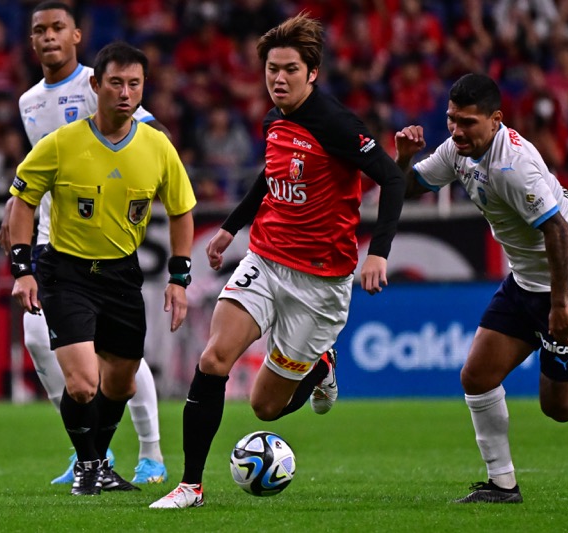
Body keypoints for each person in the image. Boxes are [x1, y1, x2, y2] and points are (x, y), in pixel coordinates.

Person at [149, 13, 405, 509]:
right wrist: (229, 228)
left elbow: (392, 180)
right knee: (213, 359)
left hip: (321, 284)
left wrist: (378, 253)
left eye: (289, 69)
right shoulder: (273, 120)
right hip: (266, 261)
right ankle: (191, 486)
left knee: (266, 407)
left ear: (312, 73)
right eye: (271, 70)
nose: (279, 79)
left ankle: (321, 366)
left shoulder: (336, 125)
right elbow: (269, 179)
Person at [394, 73, 568, 503]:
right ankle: (502, 485)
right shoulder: (457, 150)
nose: (457, 130)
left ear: (496, 120)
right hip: (526, 281)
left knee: (560, 408)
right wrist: (402, 158)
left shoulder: (513, 167)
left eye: (468, 123)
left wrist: (560, 304)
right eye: (451, 120)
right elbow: (407, 188)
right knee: (476, 376)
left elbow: (556, 230)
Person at [8, 40, 196, 496]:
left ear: (144, 87)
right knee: (82, 384)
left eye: (134, 83)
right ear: (96, 85)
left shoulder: (157, 146)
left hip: (122, 275)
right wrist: (22, 267)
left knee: (122, 383)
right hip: (65, 272)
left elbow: (181, 210)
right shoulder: (62, 143)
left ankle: (96, 463)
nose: (125, 92)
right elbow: (23, 199)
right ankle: (90, 465)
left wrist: (178, 278)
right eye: (115, 82)